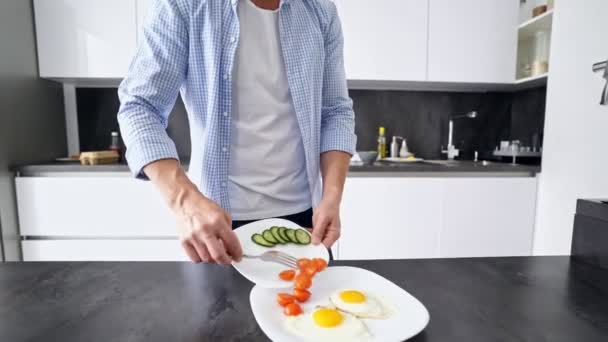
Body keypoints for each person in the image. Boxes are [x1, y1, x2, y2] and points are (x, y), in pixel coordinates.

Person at [117, 0, 356, 264]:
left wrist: (331, 197)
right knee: (216, 307)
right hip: (216, 224)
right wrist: (185, 202)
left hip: (306, 222)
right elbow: (139, 106)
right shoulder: (183, 5)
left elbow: (335, 111)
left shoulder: (320, 10)